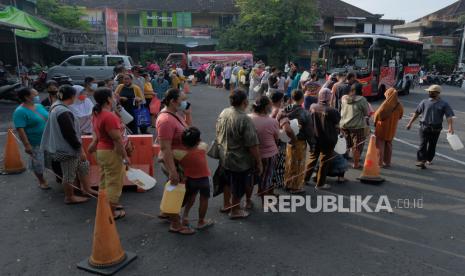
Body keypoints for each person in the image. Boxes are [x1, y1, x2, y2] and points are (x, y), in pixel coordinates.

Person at [215, 89, 262, 218]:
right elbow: (252, 144)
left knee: (226, 181)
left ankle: (226, 204)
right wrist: (258, 162)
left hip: (224, 154)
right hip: (239, 159)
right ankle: (235, 210)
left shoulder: (224, 112)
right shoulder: (244, 119)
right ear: (245, 102)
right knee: (238, 184)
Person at [40, 85, 90, 204]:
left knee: (83, 166)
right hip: (67, 149)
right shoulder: (63, 112)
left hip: (63, 147)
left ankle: (87, 189)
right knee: (69, 174)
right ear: (73, 96)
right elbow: (70, 135)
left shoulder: (56, 105)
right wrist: (80, 150)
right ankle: (69, 197)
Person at [156, 88, 194, 234]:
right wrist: (172, 171)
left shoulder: (176, 114)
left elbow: (188, 131)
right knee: (178, 191)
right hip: (172, 162)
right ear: (173, 101)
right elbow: (165, 148)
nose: (185, 102)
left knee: (178, 190)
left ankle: (167, 212)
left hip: (179, 160)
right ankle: (175, 223)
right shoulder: (166, 120)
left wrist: (188, 114)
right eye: (182, 99)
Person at [88, 88, 129, 219]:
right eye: (113, 96)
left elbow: (97, 133)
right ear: (108, 99)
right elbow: (117, 139)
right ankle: (109, 213)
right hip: (111, 152)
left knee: (105, 180)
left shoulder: (97, 113)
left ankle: (105, 206)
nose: (115, 97)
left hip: (102, 151)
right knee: (114, 183)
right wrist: (125, 156)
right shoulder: (109, 116)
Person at [173, 127, 214, 230]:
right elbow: (203, 144)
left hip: (190, 180)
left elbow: (162, 158)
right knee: (204, 199)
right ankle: (201, 221)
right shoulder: (203, 148)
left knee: (191, 197)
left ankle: (185, 216)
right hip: (204, 179)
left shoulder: (178, 154)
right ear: (198, 140)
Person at [406, 85, 454, 169]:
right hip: (424, 127)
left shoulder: (444, 104)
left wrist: (450, 127)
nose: (429, 93)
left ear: (437, 93)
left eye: (431, 92)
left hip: (436, 128)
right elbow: (417, 113)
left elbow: (449, 116)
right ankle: (421, 161)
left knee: (432, 145)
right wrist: (410, 123)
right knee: (422, 144)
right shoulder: (424, 102)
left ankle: (428, 159)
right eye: (429, 91)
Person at [277, 89, 314, 194]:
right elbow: (309, 131)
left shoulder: (285, 110)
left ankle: (287, 183)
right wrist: (312, 144)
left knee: (289, 161)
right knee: (298, 164)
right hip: (299, 141)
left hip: (287, 140)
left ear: (292, 98)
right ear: (302, 99)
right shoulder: (305, 113)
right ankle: (295, 187)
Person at [13, 87, 49, 189]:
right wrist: (27, 145)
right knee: (37, 162)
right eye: (35, 94)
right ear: (27, 97)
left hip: (47, 139)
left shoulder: (39, 106)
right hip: (35, 142)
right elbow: (20, 129)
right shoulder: (20, 112)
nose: (37, 96)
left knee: (48, 160)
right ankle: (41, 180)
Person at [305, 88, 341, 190]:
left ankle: (305, 178)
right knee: (324, 162)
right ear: (330, 98)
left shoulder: (313, 106)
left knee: (312, 158)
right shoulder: (332, 110)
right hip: (328, 139)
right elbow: (337, 123)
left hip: (315, 138)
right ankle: (320, 184)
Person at [250, 96, 279, 203]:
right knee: (266, 178)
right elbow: (276, 138)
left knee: (252, 178)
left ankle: (248, 200)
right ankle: (265, 201)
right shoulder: (272, 121)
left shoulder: (248, 118)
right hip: (269, 154)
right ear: (266, 107)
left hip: (252, 153)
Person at [340, 83, 369, 169]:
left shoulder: (344, 98)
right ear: (360, 90)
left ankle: (343, 163)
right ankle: (355, 164)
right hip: (357, 127)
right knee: (356, 146)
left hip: (344, 125)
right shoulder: (362, 100)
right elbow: (365, 113)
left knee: (345, 144)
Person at [374, 88, 404, 167]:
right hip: (392, 127)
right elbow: (401, 115)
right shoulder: (399, 105)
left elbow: (377, 115)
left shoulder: (385, 104)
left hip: (382, 127)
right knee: (389, 144)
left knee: (380, 144)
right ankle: (387, 162)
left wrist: (375, 122)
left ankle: (379, 162)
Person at [270, 91, 286, 190]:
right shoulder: (280, 111)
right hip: (278, 141)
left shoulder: (268, 109)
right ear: (280, 100)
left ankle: (268, 184)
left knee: (270, 164)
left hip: (269, 140)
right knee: (278, 164)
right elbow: (286, 128)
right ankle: (275, 184)